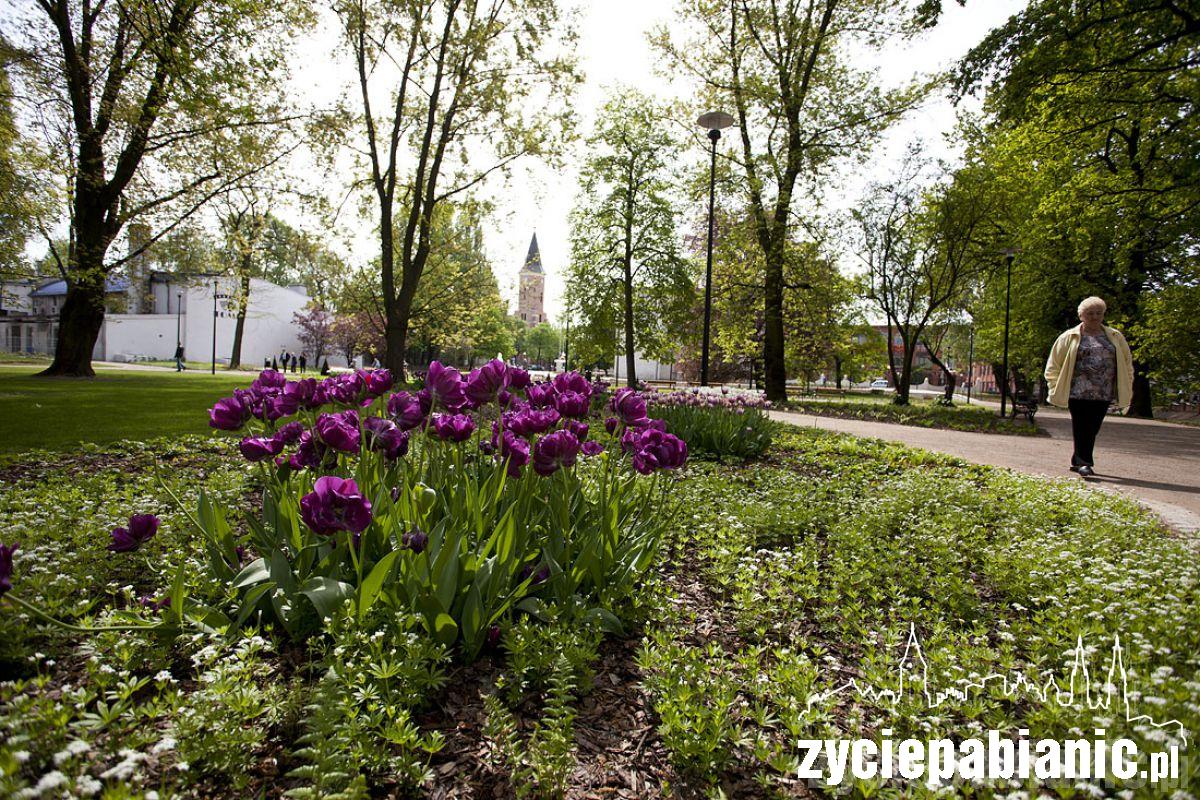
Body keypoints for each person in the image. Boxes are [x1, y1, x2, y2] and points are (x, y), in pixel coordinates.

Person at [1044, 296, 1133, 478]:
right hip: (1077, 389)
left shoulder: (1115, 336)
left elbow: (1126, 361)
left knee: (1093, 427)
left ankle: (1078, 459)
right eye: (1090, 313)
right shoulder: (1069, 337)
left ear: (1103, 314)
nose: (1094, 317)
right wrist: (1054, 385)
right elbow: (1054, 364)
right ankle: (1085, 463)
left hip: (1104, 390)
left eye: (1098, 313)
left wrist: (1127, 382)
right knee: (1081, 425)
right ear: (1081, 316)